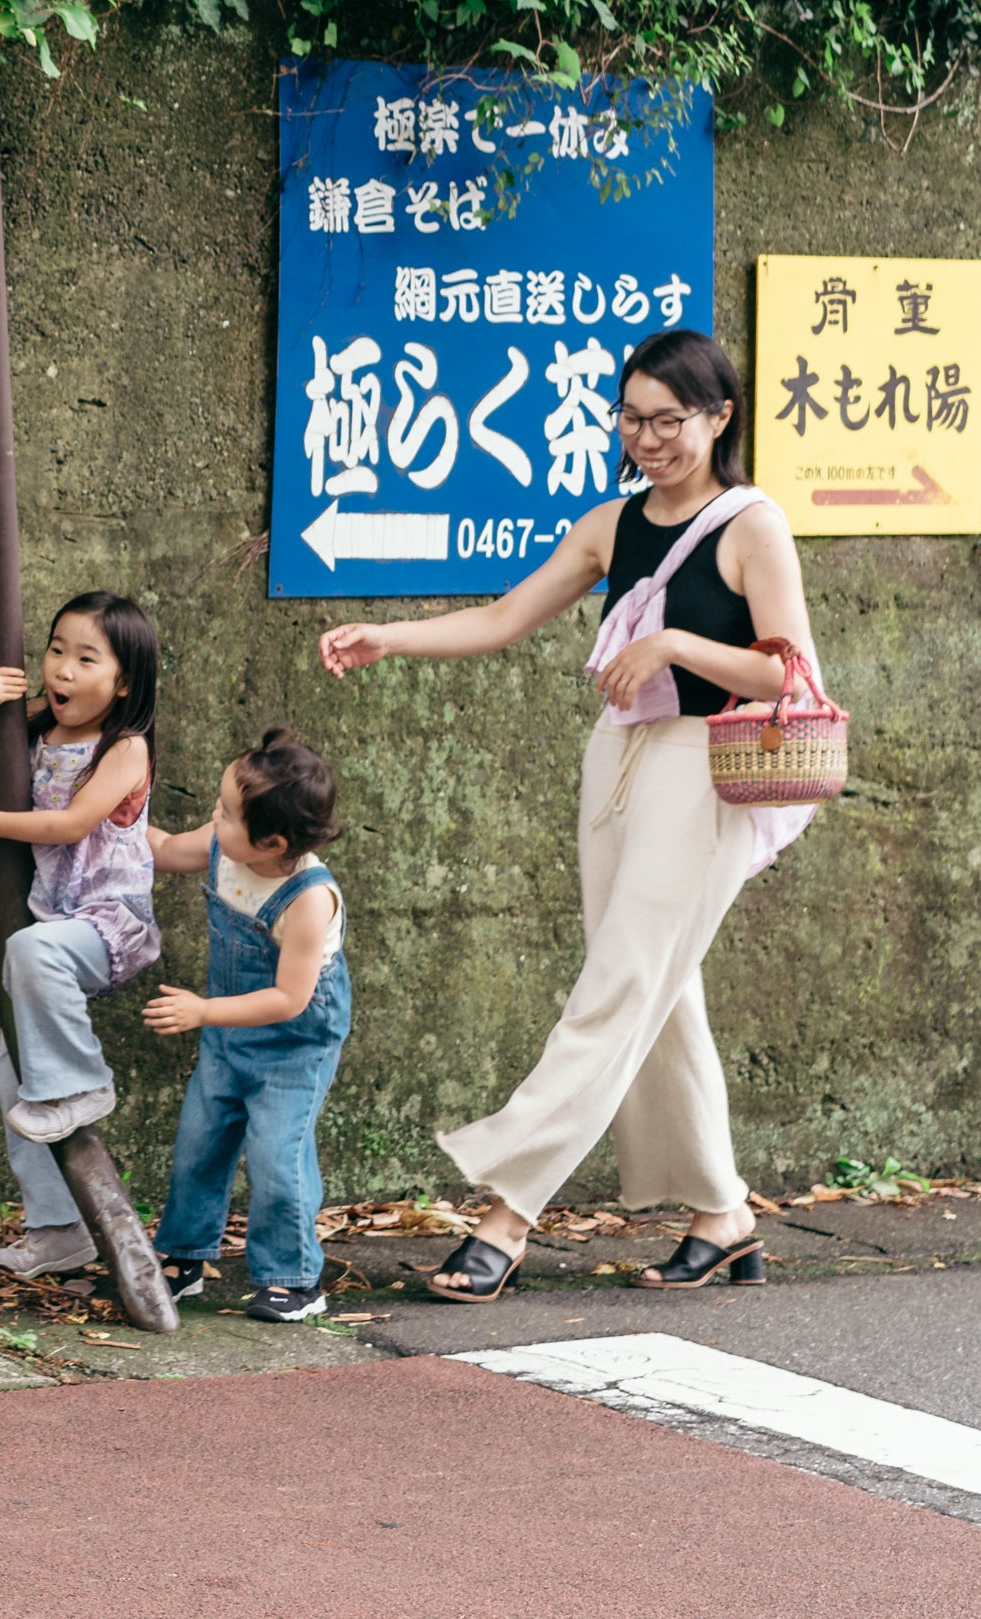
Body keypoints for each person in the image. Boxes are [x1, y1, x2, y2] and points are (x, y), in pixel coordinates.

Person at [317, 327, 813, 1302]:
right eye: (631, 418)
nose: (648, 438)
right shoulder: (609, 524)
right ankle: (723, 1216)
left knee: (619, 985)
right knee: (653, 992)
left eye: (668, 420)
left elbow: (781, 668)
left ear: (718, 418)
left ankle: (506, 1212)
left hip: (705, 768)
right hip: (617, 763)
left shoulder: (751, 524)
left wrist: (671, 642)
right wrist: (390, 636)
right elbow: (502, 617)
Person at [0, 592, 163, 1280]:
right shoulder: (37, 728)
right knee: (11, 1071)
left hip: (110, 922)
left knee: (29, 950)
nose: (62, 669)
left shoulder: (124, 747)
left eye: (85, 658)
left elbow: (73, 824)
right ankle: (56, 1229)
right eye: (55, 650)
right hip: (58, 919)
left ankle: (84, 1082)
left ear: (124, 680)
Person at [140, 731, 351, 1322]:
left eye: (227, 813)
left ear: (273, 841)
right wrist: (109, 819)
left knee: (276, 1157)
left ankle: (295, 1277)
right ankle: (183, 1259)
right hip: (229, 1031)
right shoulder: (225, 846)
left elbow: (288, 998)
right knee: (199, 1144)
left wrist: (204, 1011)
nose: (214, 817)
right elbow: (161, 848)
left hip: (293, 1043)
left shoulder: (309, 899)